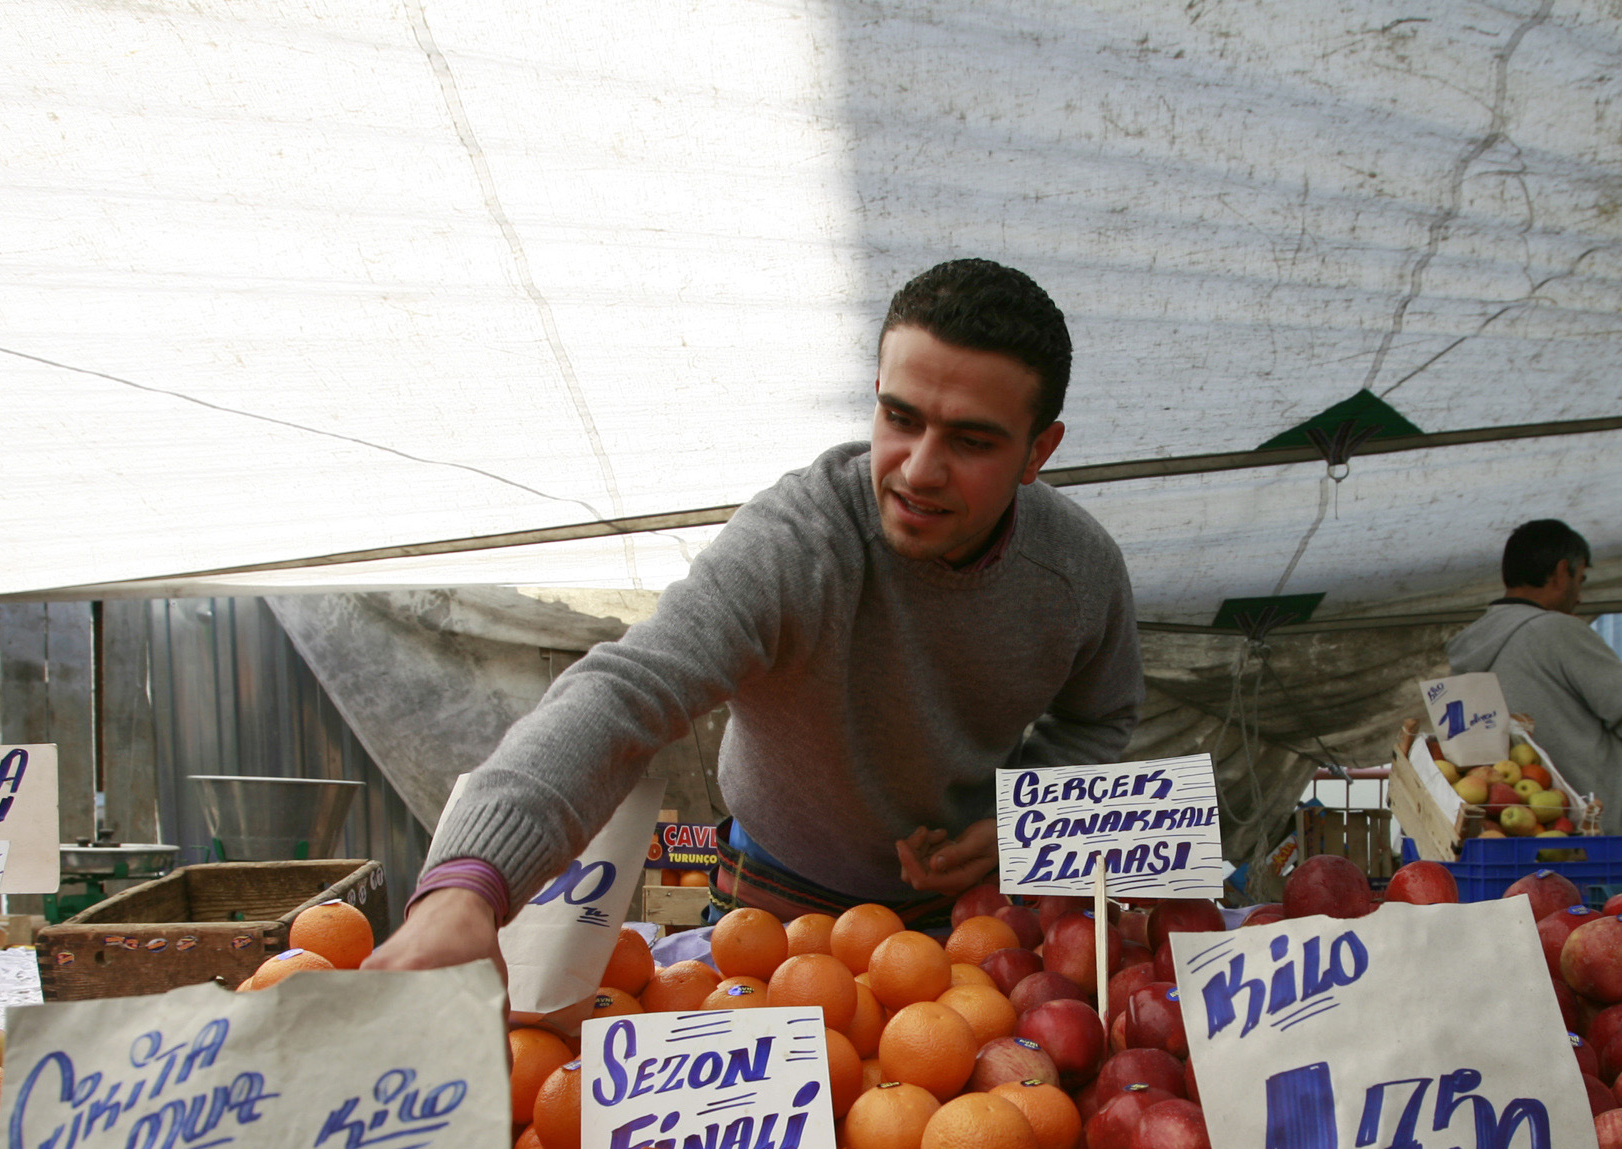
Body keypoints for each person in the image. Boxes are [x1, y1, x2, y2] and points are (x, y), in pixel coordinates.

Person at [366, 259, 1145, 971]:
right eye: (900, 418)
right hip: (771, 899)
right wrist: (468, 886)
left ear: (1038, 451)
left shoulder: (1078, 573)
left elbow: (1099, 717)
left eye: (971, 441)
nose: (918, 470)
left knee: (938, 1086)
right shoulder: (797, 542)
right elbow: (628, 688)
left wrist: (1016, 825)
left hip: (966, 916)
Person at [1445, 520, 1622, 869]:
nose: (1579, 597)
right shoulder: (1557, 630)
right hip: (1585, 841)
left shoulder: (1470, 645)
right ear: (1563, 571)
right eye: (1581, 580)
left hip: (1507, 835)